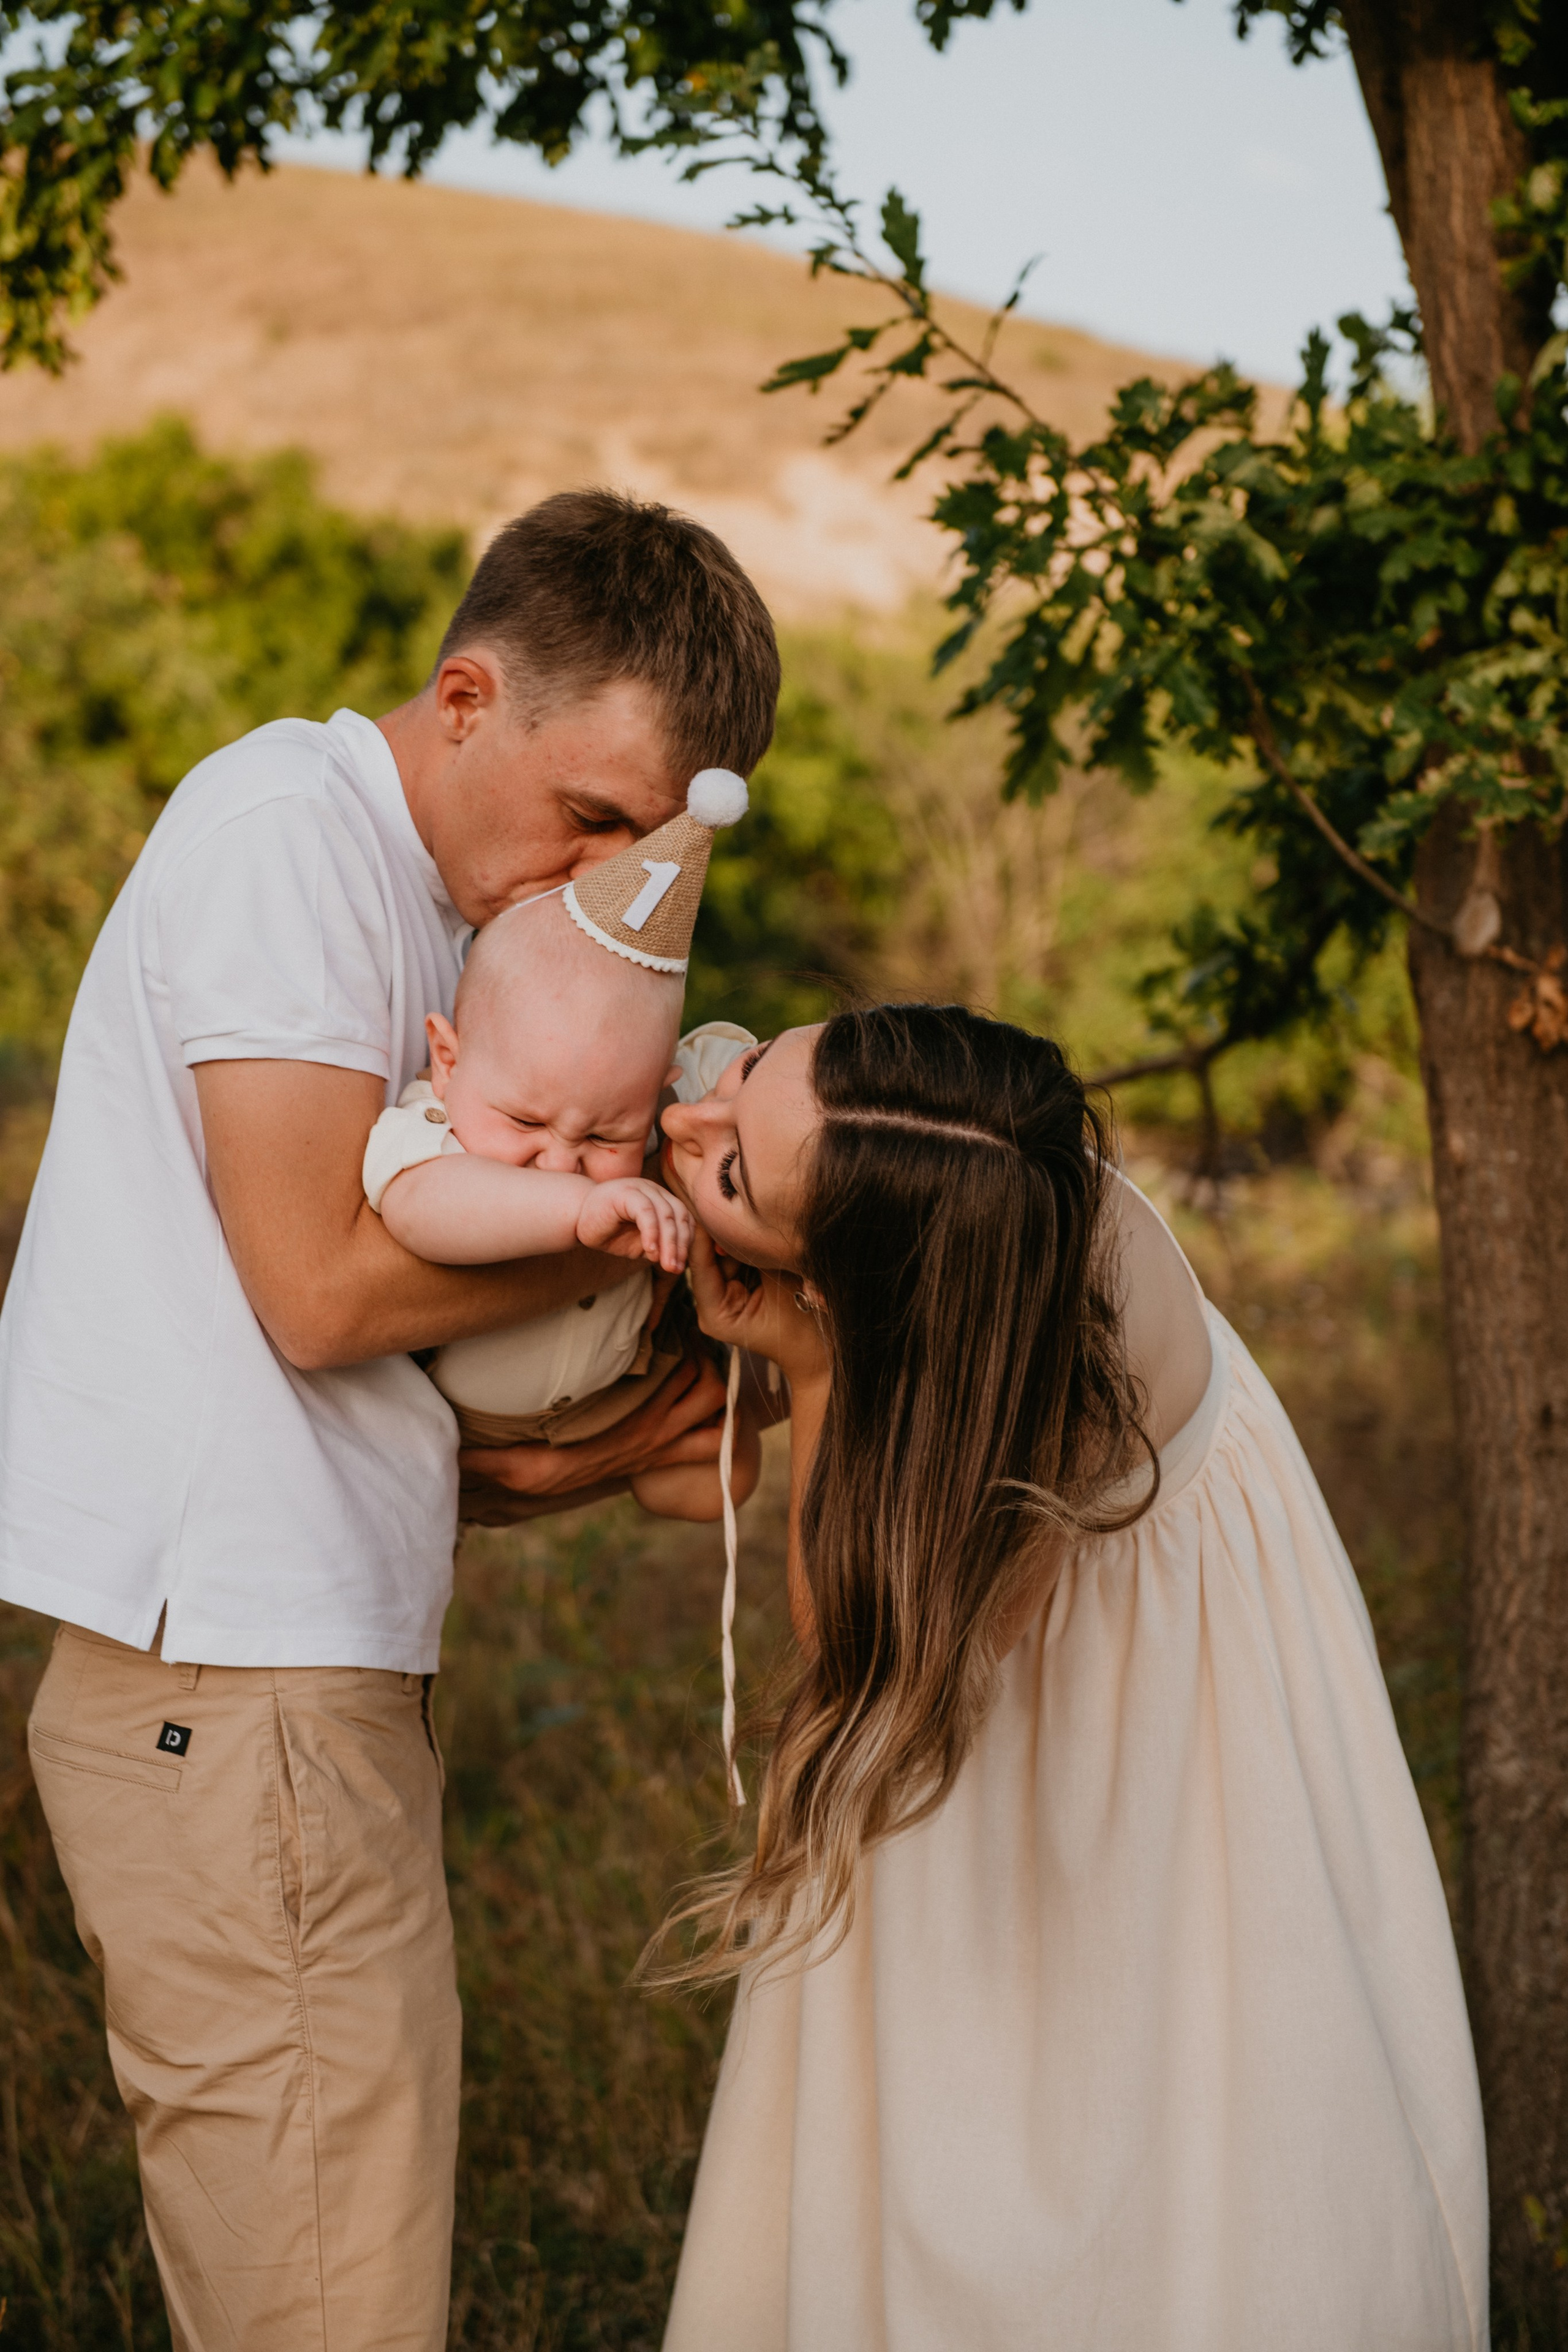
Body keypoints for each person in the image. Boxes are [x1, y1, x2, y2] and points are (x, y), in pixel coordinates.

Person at [0, 489, 780, 2352]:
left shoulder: (453, 919)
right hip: (237, 1690)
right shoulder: (290, 830)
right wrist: (650, 1228)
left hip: (291, 1679)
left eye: (636, 846)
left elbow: (382, 1367)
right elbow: (323, 1288)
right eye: (588, 815)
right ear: (463, 694)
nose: (585, 875)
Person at [654, 1002, 1488, 2352]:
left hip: (1125, 1690)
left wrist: (809, 1367)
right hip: (969, 1565)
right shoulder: (968, 1173)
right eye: (747, 1075)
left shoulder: (1041, 1366)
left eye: (732, 1170)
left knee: (1136, 2107)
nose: (686, 1117)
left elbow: (863, 1656)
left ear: (866, 1282)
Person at [364, 778, 764, 1520]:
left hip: (612, 1396)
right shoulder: (430, 1126)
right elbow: (421, 1209)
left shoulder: (661, 1101)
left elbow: (748, 1080)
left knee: (714, 1482)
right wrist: (584, 1204)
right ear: (447, 1059)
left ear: (658, 1090)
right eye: (524, 1123)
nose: (558, 1159)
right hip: (448, 1418)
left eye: (608, 1135)